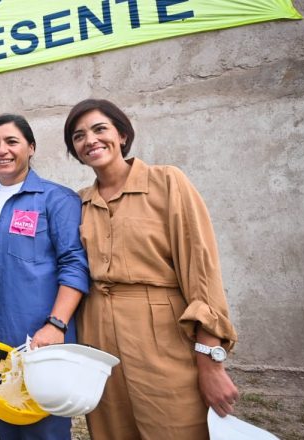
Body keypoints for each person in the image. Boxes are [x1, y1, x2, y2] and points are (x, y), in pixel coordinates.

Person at [63, 99, 239, 439]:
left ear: (123, 135)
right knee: (112, 429)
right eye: (79, 136)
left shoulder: (167, 182)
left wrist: (210, 360)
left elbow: (201, 271)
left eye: (100, 129)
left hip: (161, 329)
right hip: (97, 331)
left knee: (176, 425)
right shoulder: (79, 202)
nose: (90, 140)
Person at [0, 114, 90, 439]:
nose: (1, 150)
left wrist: (56, 324)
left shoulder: (56, 199)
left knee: (44, 426)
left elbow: (74, 264)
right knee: (6, 418)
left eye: (11, 142)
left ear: (31, 147)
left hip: (39, 333)